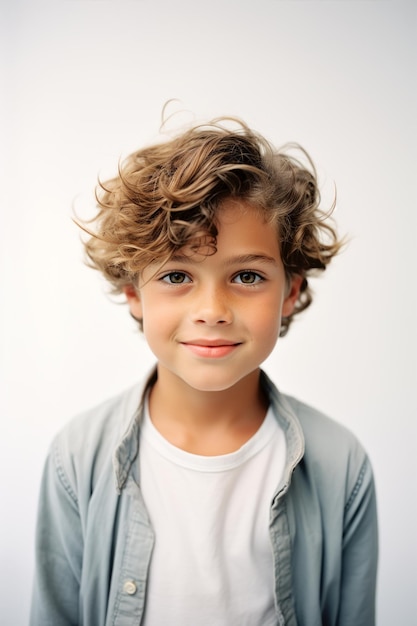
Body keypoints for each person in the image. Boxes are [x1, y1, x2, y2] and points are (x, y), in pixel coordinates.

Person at [30, 116, 378, 626]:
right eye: (176, 275)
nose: (212, 309)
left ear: (291, 291)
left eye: (246, 275)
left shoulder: (340, 465)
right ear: (133, 294)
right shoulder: (77, 458)